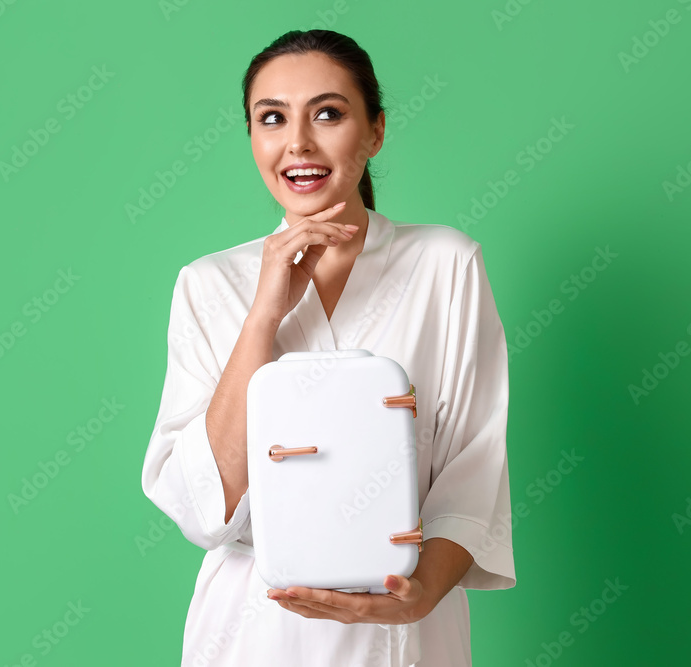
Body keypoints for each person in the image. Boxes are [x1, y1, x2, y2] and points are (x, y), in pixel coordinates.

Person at [141, 29, 515, 666]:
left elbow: (472, 467)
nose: (298, 144)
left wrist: (419, 595)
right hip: (252, 629)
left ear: (375, 131)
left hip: (404, 630)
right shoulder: (210, 284)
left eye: (328, 113)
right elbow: (205, 510)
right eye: (272, 118)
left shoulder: (444, 264)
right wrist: (264, 314)